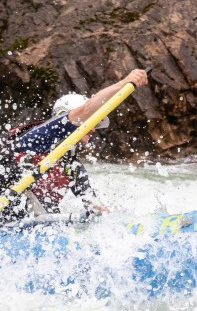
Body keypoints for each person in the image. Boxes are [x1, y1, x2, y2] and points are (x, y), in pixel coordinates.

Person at [6, 68, 150, 217]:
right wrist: (124, 83)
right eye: (91, 121)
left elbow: (93, 204)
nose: (93, 128)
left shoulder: (70, 164)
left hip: (29, 218)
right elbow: (85, 111)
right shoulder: (38, 137)